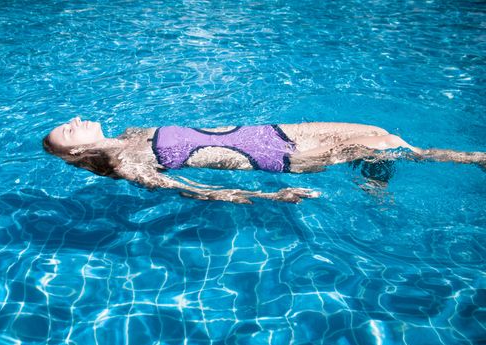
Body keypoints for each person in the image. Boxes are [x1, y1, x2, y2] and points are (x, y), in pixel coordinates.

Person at [42, 117, 485, 204]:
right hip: (282, 156)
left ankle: (373, 178)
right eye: (68, 129)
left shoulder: (131, 134)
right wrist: (274, 197)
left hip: (274, 132)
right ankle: (474, 160)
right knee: (393, 147)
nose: (77, 120)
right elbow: (195, 192)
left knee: (377, 132)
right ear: (75, 151)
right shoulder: (128, 164)